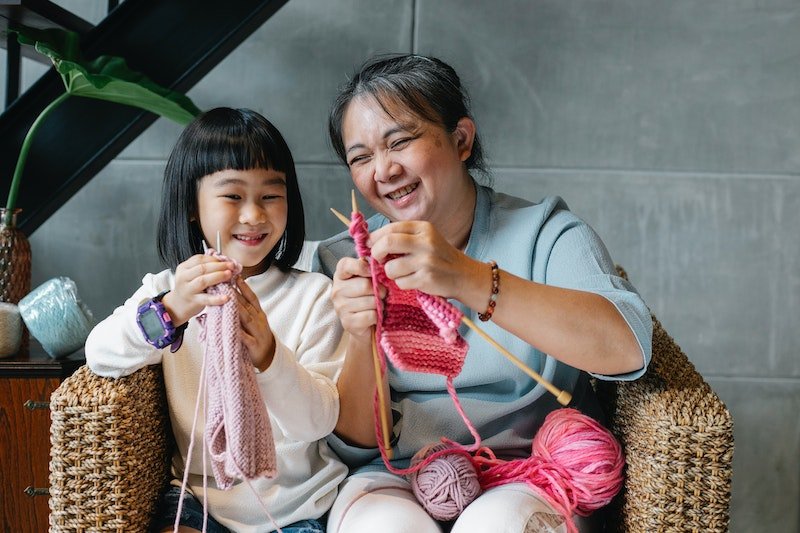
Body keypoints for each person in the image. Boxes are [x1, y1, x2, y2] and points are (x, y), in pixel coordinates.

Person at [314, 55, 653, 533]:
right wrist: (358, 336)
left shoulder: (546, 233)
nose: (384, 170)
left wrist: (469, 277)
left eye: (401, 141)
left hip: (531, 472)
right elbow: (355, 439)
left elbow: (627, 347)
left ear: (461, 139)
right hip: (394, 476)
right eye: (361, 157)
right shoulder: (342, 263)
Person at [85, 107, 347, 533]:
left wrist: (268, 355)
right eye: (232, 196)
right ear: (193, 206)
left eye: (270, 195)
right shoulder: (170, 289)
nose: (253, 215)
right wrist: (171, 311)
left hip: (297, 507)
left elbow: (318, 422)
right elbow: (100, 354)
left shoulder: (313, 296)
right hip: (197, 500)